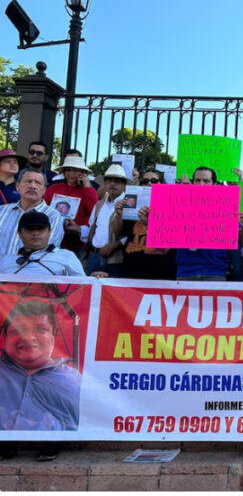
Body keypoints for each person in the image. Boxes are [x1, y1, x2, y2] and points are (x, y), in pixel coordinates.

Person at [0, 299, 81, 431]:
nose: (28, 337)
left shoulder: (76, 382)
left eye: (40, 329)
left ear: (53, 334)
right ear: (5, 336)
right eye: (18, 330)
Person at [175, 166, 243, 281]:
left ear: (214, 184)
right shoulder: (178, 205)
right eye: (197, 180)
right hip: (185, 272)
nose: (201, 184)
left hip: (214, 272)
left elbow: (241, 241)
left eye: (206, 181)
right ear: (192, 182)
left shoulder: (226, 208)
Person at [114, 170, 177, 280]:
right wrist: (119, 215)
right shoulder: (131, 202)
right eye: (145, 180)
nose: (149, 183)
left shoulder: (172, 205)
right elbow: (117, 232)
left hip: (161, 268)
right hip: (133, 266)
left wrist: (150, 222)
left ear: (162, 184)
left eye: (154, 181)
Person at [68, 164, 127, 277]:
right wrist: (78, 228)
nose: (112, 184)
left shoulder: (129, 204)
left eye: (117, 181)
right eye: (109, 181)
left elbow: (134, 233)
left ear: (124, 185)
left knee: (112, 293)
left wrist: (115, 245)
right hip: (95, 255)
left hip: (115, 259)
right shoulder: (99, 204)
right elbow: (93, 229)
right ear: (105, 184)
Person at [0, 169, 64, 257]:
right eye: (28, 181)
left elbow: (46, 253)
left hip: (29, 269)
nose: (33, 186)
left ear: (44, 190)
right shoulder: (2, 210)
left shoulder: (52, 216)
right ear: (17, 186)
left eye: (38, 183)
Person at [0, 211, 84, 276]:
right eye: (30, 229)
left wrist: (95, 279)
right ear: (19, 233)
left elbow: (82, 287)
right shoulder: (6, 261)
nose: (36, 233)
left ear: (49, 232)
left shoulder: (67, 256)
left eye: (41, 229)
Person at [43, 155, 99, 253]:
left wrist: (87, 187)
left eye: (75, 170)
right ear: (64, 172)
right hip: (52, 239)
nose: (71, 173)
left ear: (83, 173)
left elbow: (93, 211)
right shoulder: (53, 188)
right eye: (68, 170)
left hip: (77, 242)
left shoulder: (89, 191)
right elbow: (44, 209)